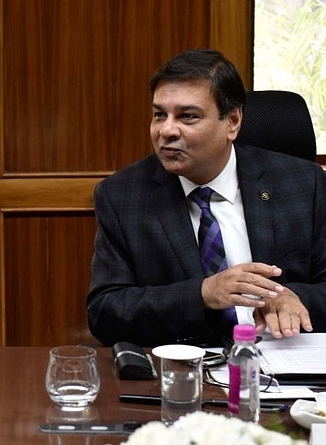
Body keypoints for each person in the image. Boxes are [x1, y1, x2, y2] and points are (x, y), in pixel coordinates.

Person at [87, 48, 326, 347]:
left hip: (284, 364)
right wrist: (202, 293)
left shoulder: (304, 183)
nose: (167, 130)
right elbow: (105, 312)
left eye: (188, 116)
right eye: (159, 114)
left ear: (233, 121)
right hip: (185, 370)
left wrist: (294, 297)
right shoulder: (122, 195)